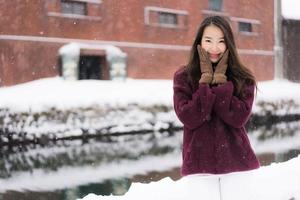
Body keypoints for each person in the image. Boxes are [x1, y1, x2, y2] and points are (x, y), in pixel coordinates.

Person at [173, 15, 260, 176]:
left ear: (229, 43)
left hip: (239, 166)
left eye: (221, 41)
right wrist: (205, 82)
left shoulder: (243, 77)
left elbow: (239, 118)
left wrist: (221, 84)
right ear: (199, 42)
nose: (214, 48)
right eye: (208, 40)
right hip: (198, 169)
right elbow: (188, 117)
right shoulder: (184, 76)